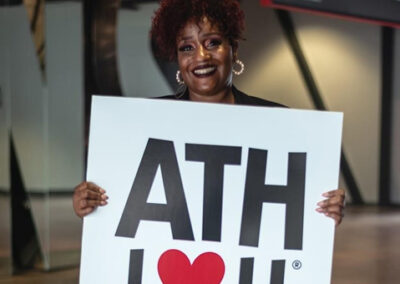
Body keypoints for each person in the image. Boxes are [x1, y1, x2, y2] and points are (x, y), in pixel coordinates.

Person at [73, 0, 345, 226]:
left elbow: (299, 206)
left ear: (233, 49)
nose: (201, 56)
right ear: (178, 60)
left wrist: (324, 208)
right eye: (187, 47)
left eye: (212, 42)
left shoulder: (279, 124)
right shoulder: (144, 125)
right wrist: (90, 202)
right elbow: (119, 201)